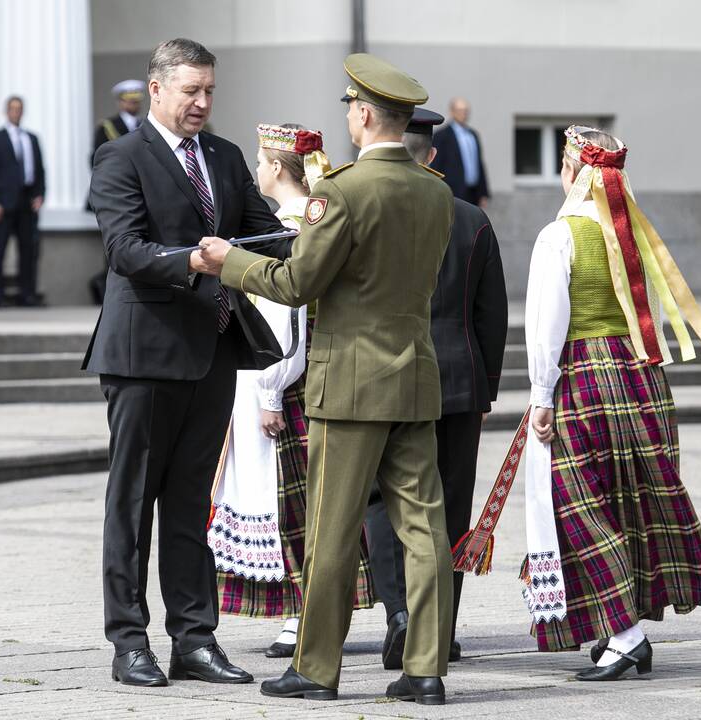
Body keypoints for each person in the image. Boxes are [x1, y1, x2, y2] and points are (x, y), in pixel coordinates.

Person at [199, 53, 455, 706]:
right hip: (415, 380)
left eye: (351, 109)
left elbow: (295, 283)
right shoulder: (435, 191)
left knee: (332, 533)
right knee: (424, 532)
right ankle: (425, 668)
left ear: (365, 115)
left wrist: (231, 262)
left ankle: (316, 669)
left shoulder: (340, 191)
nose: (349, 118)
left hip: (349, 386)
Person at [82, 38, 293, 689]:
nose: (202, 103)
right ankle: (129, 642)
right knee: (133, 503)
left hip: (213, 352)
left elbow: (267, 231)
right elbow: (125, 250)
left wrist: (316, 217)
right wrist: (195, 261)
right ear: (157, 88)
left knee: (188, 504)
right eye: (190, 91)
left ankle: (194, 640)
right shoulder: (120, 157)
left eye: (209, 92)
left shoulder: (226, 158)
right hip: (143, 356)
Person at [522, 125, 701, 680]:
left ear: (571, 173)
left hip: (584, 379)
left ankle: (628, 634)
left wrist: (542, 395)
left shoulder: (558, 236)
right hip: (640, 378)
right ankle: (621, 629)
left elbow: (546, 326)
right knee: (626, 503)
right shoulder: (630, 232)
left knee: (579, 505)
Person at [207, 122, 376, 660]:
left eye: (261, 161)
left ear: (277, 168)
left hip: (282, 378)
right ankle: (303, 611)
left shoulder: (288, 227)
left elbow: (286, 315)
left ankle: (302, 613)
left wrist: (270, 391)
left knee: (290, 500)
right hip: (293, 376)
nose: (257, 171)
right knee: (305, 499)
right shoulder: (314, 219)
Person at [364, 107, 508, 670]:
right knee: (450, 505)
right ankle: (440, 630)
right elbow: (490, 315)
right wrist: (487, 389)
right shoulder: (471, 218)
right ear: (435, 156)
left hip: (387, 375)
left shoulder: (373, 206)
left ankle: (401, 614)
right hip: (458, 382)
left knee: (383, 499)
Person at [0, 95, 45, 307]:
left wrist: (40, 194)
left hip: (27, 201)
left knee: (28, 250)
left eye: (19, 108)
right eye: (13, 108)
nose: (16, 112)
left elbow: (39, 170)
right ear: (6, 111)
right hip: (4, 202)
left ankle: (26, 293)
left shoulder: (32, 138)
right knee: (0, 249)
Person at [88, 79, 147, 303]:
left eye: (136, 101)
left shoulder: (144, 125)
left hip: (144, 192)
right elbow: (97, 160)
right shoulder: (107, 127)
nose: (133, 105)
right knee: (116, 242)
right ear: (120, 102)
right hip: (121, 192)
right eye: (129, 101)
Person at [430, 97, 490, 208]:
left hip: (473, 192)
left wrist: (483, 193)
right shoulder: (442, 136)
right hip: (453, 192)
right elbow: (436, 165)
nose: (464, 114)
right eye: (460, 110)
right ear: (452, 112)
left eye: (466, 111)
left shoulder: (473, 135)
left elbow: (479, 164)